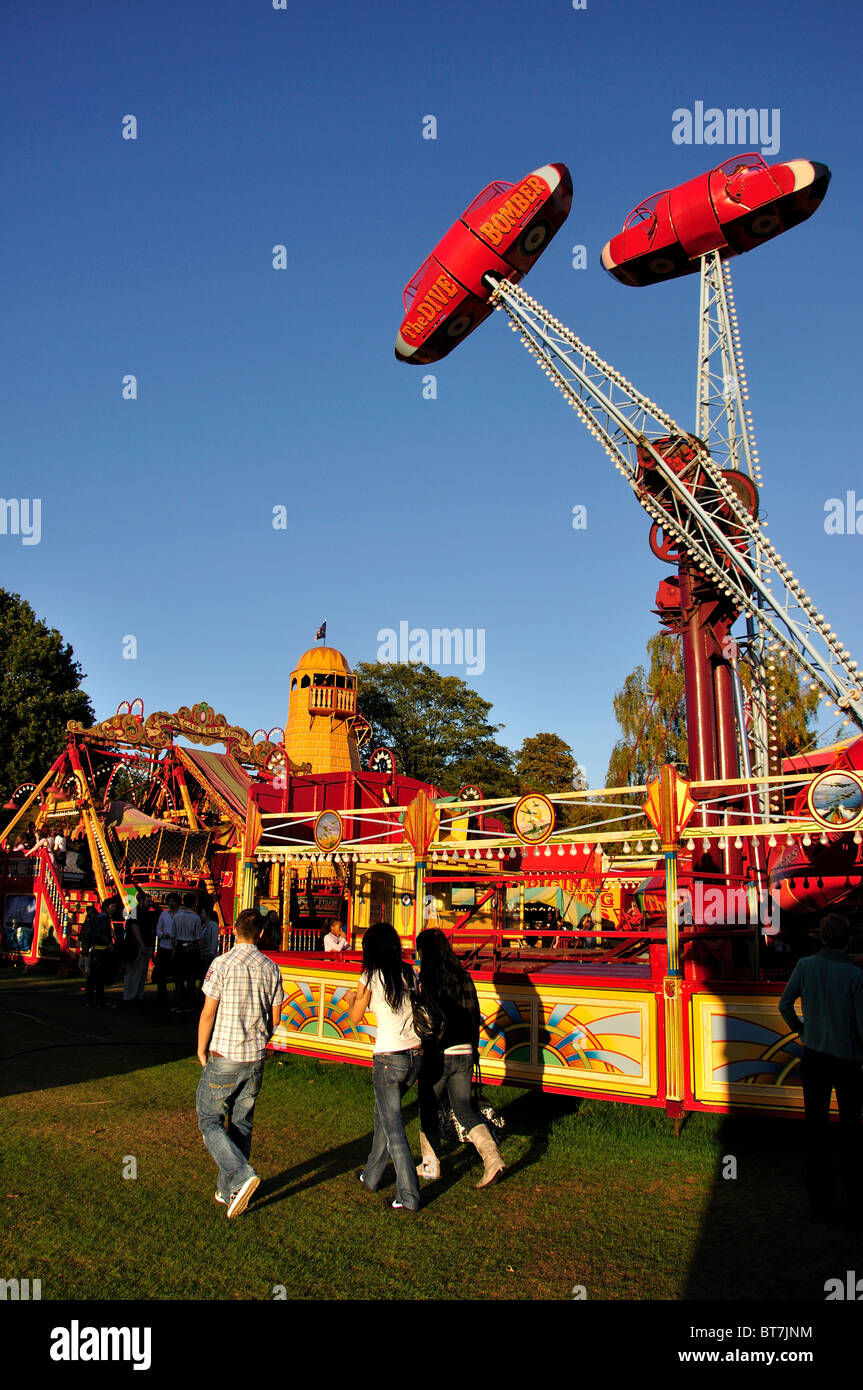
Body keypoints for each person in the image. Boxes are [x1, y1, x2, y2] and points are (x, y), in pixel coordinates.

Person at [196, 908, 285, 1219]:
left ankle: (241, 1173)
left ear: (233, 931)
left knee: (209, 1121)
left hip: (225, 1052)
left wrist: (201, 1048)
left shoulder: (222, 964)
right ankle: (228, 1188)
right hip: (255, 1056)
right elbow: (275, 1019)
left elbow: (208, 1012)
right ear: (260, 934)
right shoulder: (271, 968)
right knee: (241, 1124)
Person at [779, 913, 863, 1220]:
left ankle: (820, 1201)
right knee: (852, 1130)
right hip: (847, 1059)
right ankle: (854, 1199)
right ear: (848, 940)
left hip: (813, 1055)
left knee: (816, 1128)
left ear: (822, 937)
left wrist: (801, 1030)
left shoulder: (805, 966)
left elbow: (784, 1004)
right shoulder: (855, 976)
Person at [415, 928, 505, 1188]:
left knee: (428, 1106)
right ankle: (492, 1158)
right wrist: (474, 1048)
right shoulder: (464, 977)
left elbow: (425, 1022)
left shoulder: (429, 979)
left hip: (439, 1053)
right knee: (464, 1108)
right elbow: (474, 1013)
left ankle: (431, 1162)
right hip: (465, 1051)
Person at [346, 922, 422, 1213]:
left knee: (394, 1130)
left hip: (389, 1057)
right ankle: (372, 1176)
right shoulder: (409, 973)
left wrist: (352, 999)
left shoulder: (369, 976)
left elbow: (354, 1018)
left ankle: (409, 1194)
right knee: (383, 1119)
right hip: (415, 1054)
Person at [172, 892, 203, 1011]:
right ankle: (190, 1003)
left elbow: (172, 935)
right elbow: (199, 937)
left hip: (179, 946)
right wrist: (200, 952)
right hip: (191, 948)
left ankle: (179, 1001)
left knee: (179, 978)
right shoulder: (195, 918)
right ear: (194, 903)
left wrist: (174, 949)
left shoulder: (177, 916)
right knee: (191, 978)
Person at [80, 903, 114, 1009]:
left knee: (92, 977)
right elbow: (99, 933)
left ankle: (89, 1000)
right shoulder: (104, 918)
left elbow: (90, 934)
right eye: (112, 906)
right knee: (99, 977)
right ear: (106, 907)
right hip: (101, 950)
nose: (113, 909)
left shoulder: (96, 919)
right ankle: (100, 1001)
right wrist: (108, 943)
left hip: (94, 949)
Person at [153, 894, 179, 1008]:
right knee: (161, 974)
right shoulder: (164, 914)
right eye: (170, 901)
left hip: (176, 946)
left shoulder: (181, 915)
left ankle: (177, 998)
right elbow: (158, 928)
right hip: (164, 945)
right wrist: (162, 934)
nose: (172, 903)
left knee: (177, 974)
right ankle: (161, 998)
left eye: (174, 901)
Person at [198, 905, 220, 985]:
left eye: (202, 913)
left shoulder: (213, 925)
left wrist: (211, 952)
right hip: (204, 955)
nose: (201, 915)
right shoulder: (204, 925)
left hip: (209, 956)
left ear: (207, 914)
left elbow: (214, 940)